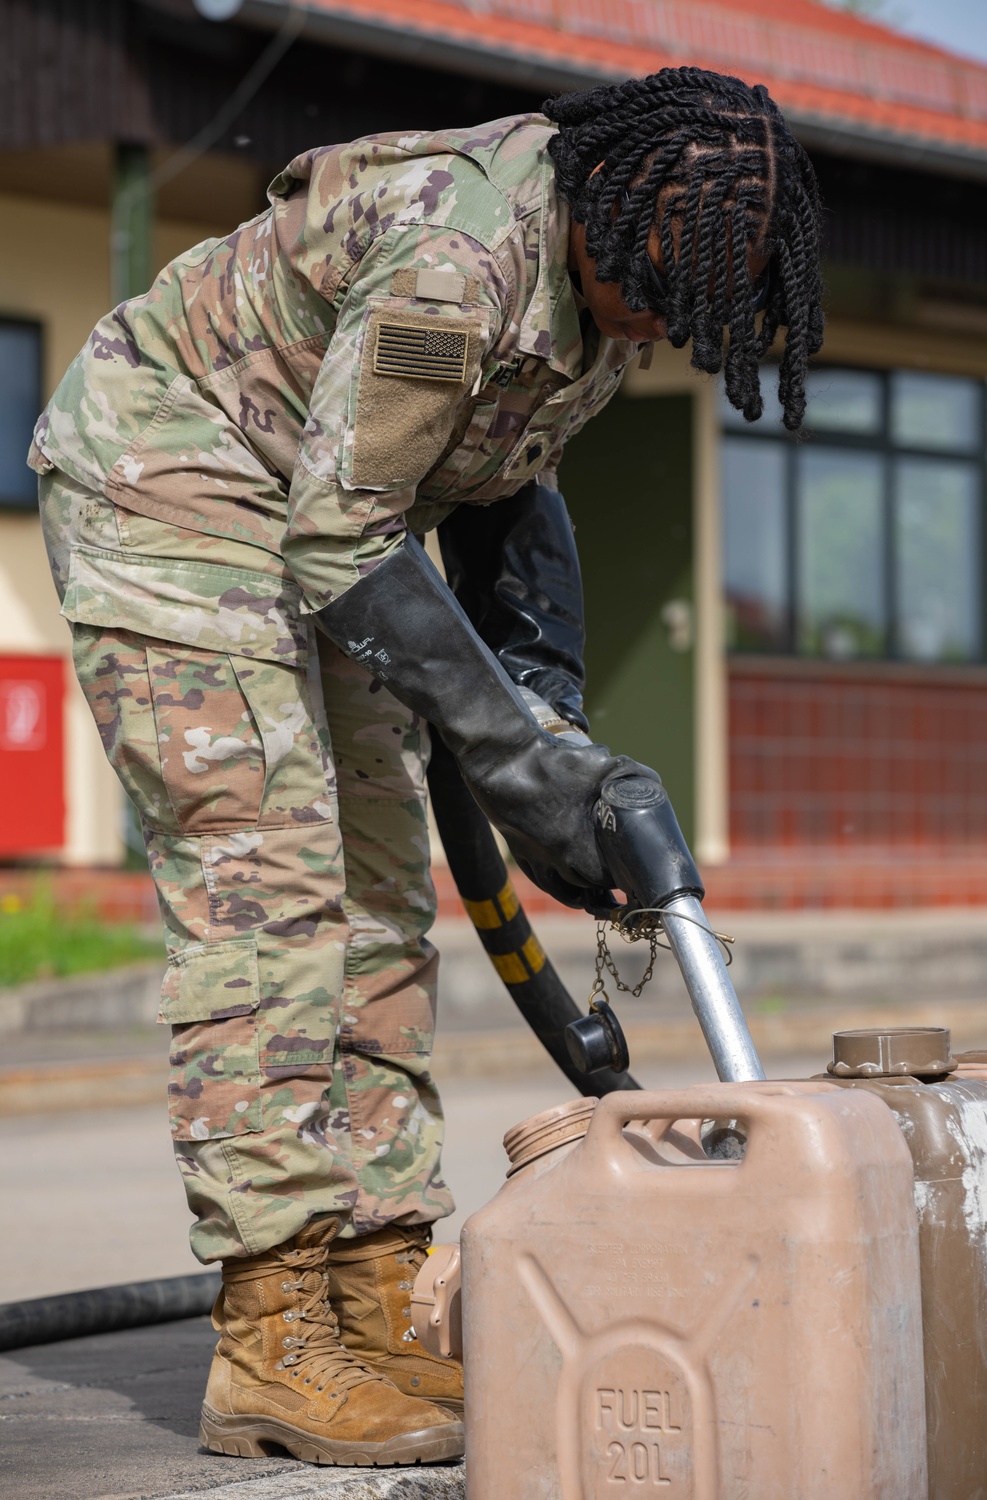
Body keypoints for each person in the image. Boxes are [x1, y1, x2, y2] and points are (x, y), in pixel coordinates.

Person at [29, 65, 823, 1467]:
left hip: (335, 519)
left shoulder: (603, 287)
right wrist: (505, 754)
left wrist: (545, 732)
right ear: (619, 210)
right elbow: (344, 533)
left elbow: (507, 490)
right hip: (180, 478)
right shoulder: (458, 256)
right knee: (269, 889)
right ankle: (277, 1333)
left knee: (385, 892)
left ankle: (379, 1289)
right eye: (665, 283)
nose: (666, 320)